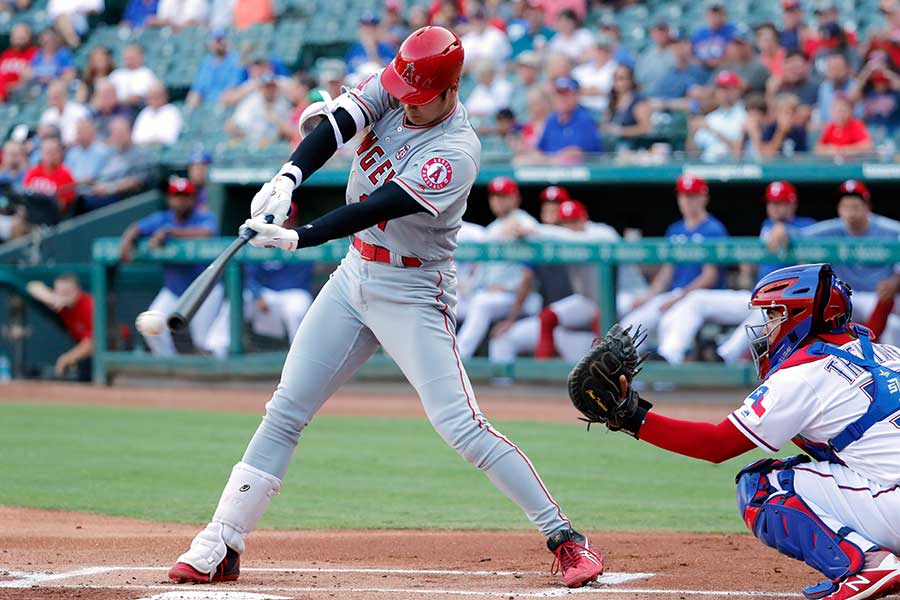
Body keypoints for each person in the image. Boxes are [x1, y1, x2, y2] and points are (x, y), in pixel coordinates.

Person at [167, 26, 604, 590]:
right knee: (285, 409)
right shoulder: (400, 82)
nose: (404, 101)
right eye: (402, 89)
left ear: (450, 91)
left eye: (419, 96)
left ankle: (566, 539)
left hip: (414, 291)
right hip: (354, 278)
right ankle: (222, 541)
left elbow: (380, 205)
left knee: (462, 427)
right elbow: (338, 123)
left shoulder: (457, 150)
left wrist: (303, 235)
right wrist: (289, 175)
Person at [589, 262, 900, 600]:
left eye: (773, 316)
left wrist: (631, 417)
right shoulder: (888, 353)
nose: (767, 327)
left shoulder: (803, 374)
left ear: (799, 315)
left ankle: (867, 564)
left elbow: (716, 444)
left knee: (762, 485)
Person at [662, 181, 816, 365]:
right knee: (696, 299)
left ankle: (723, 355)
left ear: (793, 204)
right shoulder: (766, 226)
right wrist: (748, 267)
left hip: (786, 303)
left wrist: (789, 231)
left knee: (769, 310)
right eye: (772, 203)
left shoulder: (806, 226)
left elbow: (816, 244)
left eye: (781, 203)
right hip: (757, 297)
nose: (775, 208)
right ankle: (669, 355)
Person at [489, 199, 628, 364]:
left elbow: (576, 239)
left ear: (585, 218)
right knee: (548, 317)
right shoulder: (560, 237)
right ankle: (544, 370)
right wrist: (521, 231)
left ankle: (602, 372)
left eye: (575, 221)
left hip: (619, 299)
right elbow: (554, 238)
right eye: (567, 223)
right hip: (588, 301)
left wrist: (534, 230)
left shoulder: (602, 232)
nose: (572, 226)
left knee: (602, 320)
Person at [119, 177, 221, 356]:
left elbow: (207, 232)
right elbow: (136, 228)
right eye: (177, 196)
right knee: (150, 326)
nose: (180, 201)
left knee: (203, 342)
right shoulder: (162, 218)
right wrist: (127, 239)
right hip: (174, 290)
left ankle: (216, 380)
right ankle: (171, 366)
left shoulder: (204, 217)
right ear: (169, 199)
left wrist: (171, 232)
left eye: (185, 196)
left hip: (204, 291)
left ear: (193, 199)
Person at [790, 180, 900, 345]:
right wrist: (781, 230)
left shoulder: (888, 229)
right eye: (846, 207)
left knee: (892, 326)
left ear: (867, 207)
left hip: (878, 298)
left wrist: (896, 279)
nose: (851, 213)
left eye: (856, 207)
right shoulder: (833, 229)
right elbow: (799, 235)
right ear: (839, 209)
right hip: (846, 297)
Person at [620, 175, 728, 341]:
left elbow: (710, 277)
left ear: (703, 198)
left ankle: (671, 362)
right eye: (683, 195)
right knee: (630, 326)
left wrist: (678, 298)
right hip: (675, 294)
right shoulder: (675, 230)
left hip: (701, 296)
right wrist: (648, 297)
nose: (687, 201)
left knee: (670, 325)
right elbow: (667, 272)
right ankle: (622, 366)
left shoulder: (713, 229)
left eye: (692, 196)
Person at [205, 207, 314, 358]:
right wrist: (258, 294)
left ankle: (301, 357)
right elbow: (248, 276)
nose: (285, 224)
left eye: (289, 220)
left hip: (293, 294)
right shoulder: (262, 241)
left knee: (297, 308)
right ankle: (216, 348)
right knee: (241, 299)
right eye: (282, 220)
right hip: (266, 293)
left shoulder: (304, 238)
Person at [455, 176, 542, 359]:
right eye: (495, 196)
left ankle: (458, 359)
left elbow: (528, 276)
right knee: (450, 304)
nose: (498, 201)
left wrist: (511, 318)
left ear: (515, 198)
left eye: (504, 196)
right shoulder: (493, 229)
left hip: (519, 297)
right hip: (491, 294)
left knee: (482, 304)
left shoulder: (524, 222)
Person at [25, 274, 94, 380]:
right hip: (86, 350)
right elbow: (32, 286)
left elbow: (93, 344)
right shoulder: (61, 305)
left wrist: (66, 359)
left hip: (115, 346)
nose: (63, 295)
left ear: (77, 290)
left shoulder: (89, 305)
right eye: (60, 292)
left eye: (67, 292)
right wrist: (52, 298)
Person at [81, 117, 151, 212]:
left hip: (120, 198)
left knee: (84, 203)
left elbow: (137, 181)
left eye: (121, 133)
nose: (117, 136)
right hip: (99, 191)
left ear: (130, 132)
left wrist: (110, 189)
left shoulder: (141, 154)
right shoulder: (111, 152)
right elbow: (100, 175)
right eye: (114, 133)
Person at [536, 77, 602, 162]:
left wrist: (551, 159)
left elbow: (578, 153)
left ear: (577, 96)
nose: (562, 98)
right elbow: (540, 150)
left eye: (566, 94)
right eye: (559, 94)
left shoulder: (585, 119)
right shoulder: (551, 120)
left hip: (579, 172)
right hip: (551, 170)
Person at [688, 70, 747, 162]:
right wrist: (692, 132)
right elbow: (692, 153)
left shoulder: (745, 115)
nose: (723, 93)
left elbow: (737, 152)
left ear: (737, 90)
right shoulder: (711, 117)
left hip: (733, 168)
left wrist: (712, 130)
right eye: (720, 88)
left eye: (727, 88)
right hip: (707, 167)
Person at [225, 72, 292, 148]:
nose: (269, 90)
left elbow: (288, 131)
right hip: (251, 142)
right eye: (266, 87)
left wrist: (276, 121)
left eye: (272, 86)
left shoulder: (284, 103)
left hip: (276, 144)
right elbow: (239, 125)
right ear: (260, 88)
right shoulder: (252, 102)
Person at [186, 31, 244, 109]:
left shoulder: (236, 60)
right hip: (205, 106)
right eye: (216, 40)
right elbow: (197, 89)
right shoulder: (206, 62)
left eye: (220, 40)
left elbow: (232, 90)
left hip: (226, 106)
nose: (218, 44)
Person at [602, 65, 652, 149]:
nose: (618, 82)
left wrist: (621, 131)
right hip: (613, 145)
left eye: (621, 78)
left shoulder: (639, 101)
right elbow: (606, 122)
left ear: (630, 80)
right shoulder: (613, 100)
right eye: (615, 79)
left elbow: (645, 128)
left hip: (633, 146)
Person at [22, 136, 76, 213]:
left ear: (60, 153)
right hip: (32, 213)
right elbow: (25, 194)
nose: (51, 156)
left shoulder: (65, 174)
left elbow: (62, 206)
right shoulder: (34, 171)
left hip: (52, 217)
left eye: (54, 152)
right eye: (48, 152)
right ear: (41, 153)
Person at [571, 32, 617, 113]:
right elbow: (571, 89)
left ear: (611, 51)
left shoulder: (617, 69)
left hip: (604, 111)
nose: (601, 52)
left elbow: (614, 91)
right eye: (599, 48)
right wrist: (597, 91)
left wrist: (582, 91)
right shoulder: (580, 70)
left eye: (605, 49)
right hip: (578, 111)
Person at [39, 79, 90, 147]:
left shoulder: (79, 111)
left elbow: (84, 134)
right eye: (51, 97)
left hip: (75, 147)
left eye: (56, 96)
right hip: (54, 150)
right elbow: (42, 135)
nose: (54, 99)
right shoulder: (47, 115)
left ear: (65, 95)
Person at [132, 81, 182, 145]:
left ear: (165, 96)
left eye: (157, 96)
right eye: (151, 97)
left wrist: (150, 141)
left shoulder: (172, 112)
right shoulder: (145, 112)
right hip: (143, 151)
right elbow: (135, 138)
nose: (153, 100)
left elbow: (170, 138)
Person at [691, 0, 736, 72]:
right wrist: (705, 62)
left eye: (719, 13)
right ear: (706, 14)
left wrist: (716, 62)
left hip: (725, 70)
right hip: (701, 72)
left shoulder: (733, 31)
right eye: (713, 13)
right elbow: (691, 57)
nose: (716, 16)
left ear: (725, 14)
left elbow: (736, 57)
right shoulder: (699, 33)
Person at [64, 118, 111, 186]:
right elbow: (66, 172)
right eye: (78, 132)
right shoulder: (73, 151)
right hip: (72, 189)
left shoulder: (102, 151)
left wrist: (75, 181)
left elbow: (96, 177)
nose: (79, 136)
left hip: (92, 190)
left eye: (83, 132)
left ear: (92, 132)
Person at [635, 19, 675, 94]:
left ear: (668, 31)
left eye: (662, 30)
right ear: (651, 33)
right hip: (648, 98)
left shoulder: (677, 52)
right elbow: (639, 81)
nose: (659, 34)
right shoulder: (646, 55)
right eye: (656, 31)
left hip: (670, 97)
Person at [0, 23, 37, 99]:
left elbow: (30, 76)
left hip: (19, 94)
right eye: (16, 36)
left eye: (22, 36)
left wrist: (15, 86)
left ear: (29, 37)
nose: (18, 40)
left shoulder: (35, 53)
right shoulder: (5, 55)